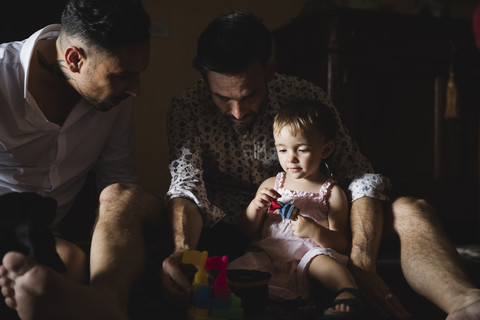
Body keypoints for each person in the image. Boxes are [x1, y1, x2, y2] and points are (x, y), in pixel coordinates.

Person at [161, 8, 480, 320]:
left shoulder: (302, 95)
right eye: (222, 98)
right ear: (204, 79)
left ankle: (467, 303)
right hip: (230, 229)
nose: (237, 111)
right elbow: (187, 188)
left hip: (319, 232)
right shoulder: (187, 108)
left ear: (270, 71)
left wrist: (360, 262)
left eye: (249, 95)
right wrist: (183, 249)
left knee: (413, 208)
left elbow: (360, 176)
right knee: (124, 199)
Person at [0, 0, 165, 319]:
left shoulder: (115, 99)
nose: (136, 89)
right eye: (122, 76)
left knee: (123, 196)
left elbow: (117, 179)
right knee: (69, 259)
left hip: (52, 235)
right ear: (75, 59)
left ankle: (107, 301)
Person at [227, 99, 365, 318]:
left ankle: (347, 292)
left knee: (321, 261)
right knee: (244, 264)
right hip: (270, 253)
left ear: (326, 149)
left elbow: (341, 242)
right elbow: (247, 229)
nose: (290, 158)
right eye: (282, 149)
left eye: (302, 149)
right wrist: (256, 206)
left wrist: (314, 231)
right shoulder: (272, 184)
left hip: (308, 257)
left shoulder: (330, 192)